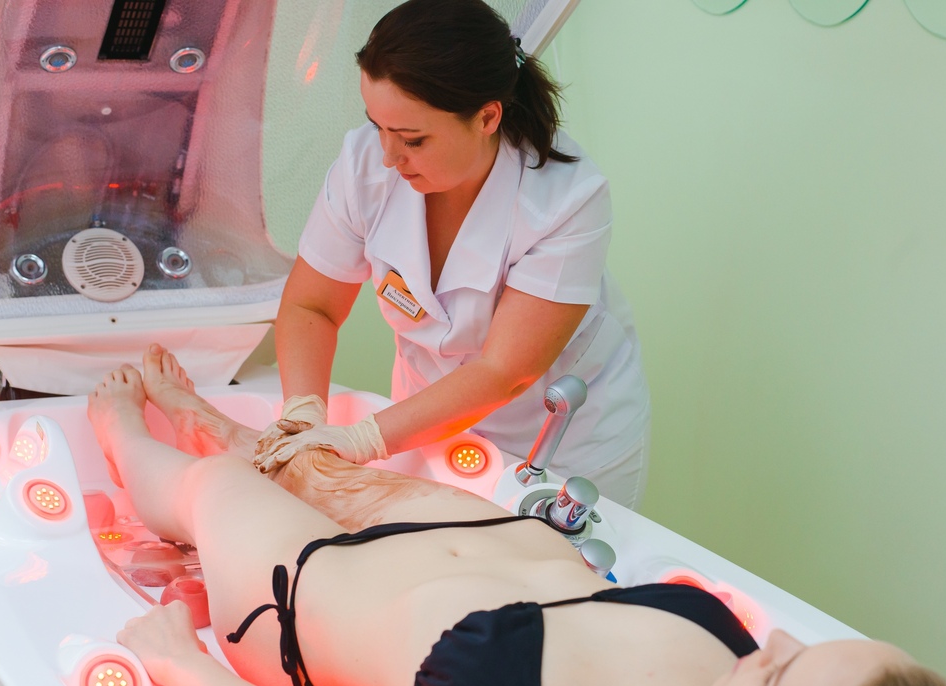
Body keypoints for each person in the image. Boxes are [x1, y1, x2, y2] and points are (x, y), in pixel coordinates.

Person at [92, 350, 946, 686]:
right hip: (482, 543)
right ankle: (214, 417)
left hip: (306, 601)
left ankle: (122, 430)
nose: (780, 640)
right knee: (310, 464)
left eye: (779, 677)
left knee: (212, 487)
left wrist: (178, 658)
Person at [257, 0, 652, 509]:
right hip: (422, 422)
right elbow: (312, 306)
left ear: (487, 117)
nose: (388, 156)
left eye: (413, 139)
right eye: (377, 126)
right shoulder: (366, 167)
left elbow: (503, 371)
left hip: (557, 444)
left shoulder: (567, 201)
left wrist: (363, 438)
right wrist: (303, 414)